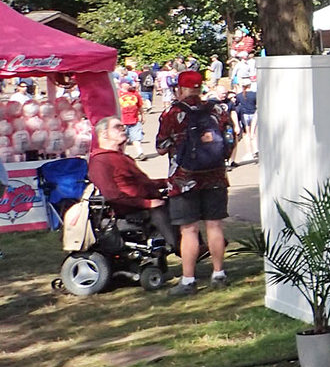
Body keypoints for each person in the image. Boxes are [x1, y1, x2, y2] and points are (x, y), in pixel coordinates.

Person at [155, 70, 235, 296]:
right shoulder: (218, 109)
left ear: (180, 89)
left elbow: (161, 147)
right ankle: (218, 274)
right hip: (216, 177)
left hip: (184, 181)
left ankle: (188, 280)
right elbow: (230, 140)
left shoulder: (172, 113)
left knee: (189, 230)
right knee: (215, 226)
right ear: (200, 88)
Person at [87, 116, 176, 252]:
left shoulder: (120, 157)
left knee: (180, 200)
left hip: (145, 201)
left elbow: (142, 183)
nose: (123, 129)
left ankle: (194, 247)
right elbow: (112, 195)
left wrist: (166, 182)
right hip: (129, 208)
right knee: (165, 208)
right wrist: (147, 203)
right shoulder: (100, 160)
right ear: (104, 134)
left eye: (123, 127)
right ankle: (180, 247)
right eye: (118, 127)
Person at [116, 81, 145, 158]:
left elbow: (140, 106)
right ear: (122, 84)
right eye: (128, 83)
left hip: (134, 119)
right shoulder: (117, 94)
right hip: (122, 120)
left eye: (130, 83)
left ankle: (140, 153)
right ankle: (121, 154)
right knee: (122, 139)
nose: (130, 85)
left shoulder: (135, 94)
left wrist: (143, 115)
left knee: (136, 138)